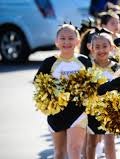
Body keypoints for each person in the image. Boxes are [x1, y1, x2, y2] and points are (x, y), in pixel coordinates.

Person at [35, 24, 92, 159]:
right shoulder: (49, 62)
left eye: (71, 38)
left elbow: (94, 84)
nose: (67, 42)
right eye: (63, 38)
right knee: (59, 152)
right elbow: (38, 83)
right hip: (56, 113)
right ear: (56, 41)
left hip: (78, 112)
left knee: (75, 149)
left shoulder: (84, 61)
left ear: (77, 41)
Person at [86, 29, 119, 159]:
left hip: (110, 111)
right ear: (91, 48)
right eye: (97, 47)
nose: (101, 50)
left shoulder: (117, 68)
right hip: (92, 111)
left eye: (105, 46)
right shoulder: (88, 66)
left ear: (111, 47)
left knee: (109, 142)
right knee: (92, 143)